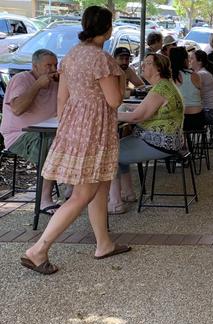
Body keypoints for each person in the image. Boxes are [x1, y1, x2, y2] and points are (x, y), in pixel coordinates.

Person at [21, 6, 129, 275]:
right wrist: (123, 80)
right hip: (96, 127)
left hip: (75, 125)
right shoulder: (101, 59)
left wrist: (68, 126)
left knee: (100, 186)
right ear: (107, 28)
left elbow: (62, 99)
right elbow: (114, 100)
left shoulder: (70, 55)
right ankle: (38, 250)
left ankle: (103, 243)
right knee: (83, 193)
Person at [109, 53, 184, 213]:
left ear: (158, 69)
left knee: (110, 154)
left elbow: (138, 116)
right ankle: (128, 193)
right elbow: (145, 109)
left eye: (148, 63)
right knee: (118, 149)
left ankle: (115, 203)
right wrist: (128, 108)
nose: (143, 65)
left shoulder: (161, 88)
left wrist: (110, 115)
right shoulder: (163, 85)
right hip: (168, 140)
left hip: (161, 142)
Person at [0, 49, 60, 215]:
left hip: (48, 131)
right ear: (35, 66)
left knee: (70, 140)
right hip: (19, 135)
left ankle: (72, 192)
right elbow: (18, 109)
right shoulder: (22, 80)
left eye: (55, 65)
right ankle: (44, 200)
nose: (53, 69)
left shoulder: (56, 82)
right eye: (48, 65)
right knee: (52, 145)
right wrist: (38, 85)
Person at [169, 47, 203, 131]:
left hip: (178, 121)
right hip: (196, 118)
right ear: (185, 60)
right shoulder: (194, 75)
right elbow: (202, 95)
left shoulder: (168, 77)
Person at [190, 49, 213, 124]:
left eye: (192, 58)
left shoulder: (201, 74)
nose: (190, 61)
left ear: (199, 61)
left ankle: (187, 135)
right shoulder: (205, 72)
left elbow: (193, 94)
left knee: (186, 117)